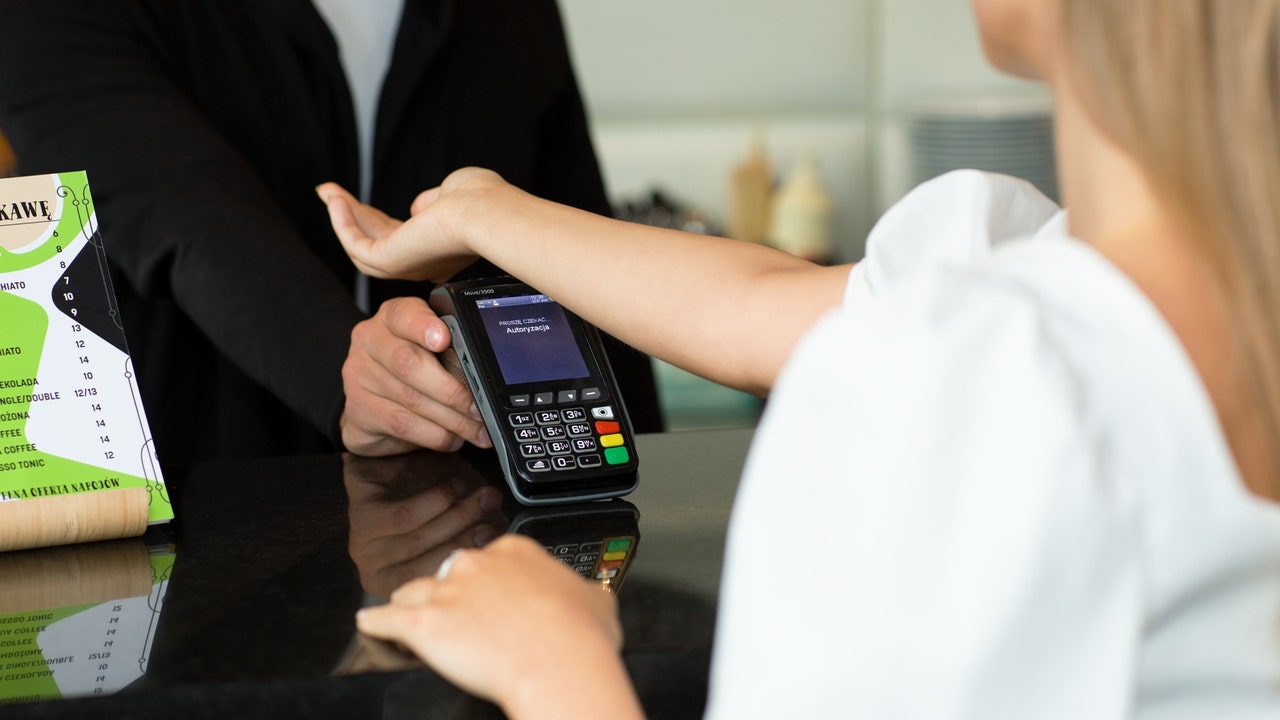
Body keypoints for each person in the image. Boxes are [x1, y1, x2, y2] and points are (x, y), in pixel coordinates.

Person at [324, 0, 1280, 716]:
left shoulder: (980, 371)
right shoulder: (1077, 291)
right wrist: (479, 212)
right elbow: (760, 306)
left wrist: (554, 666)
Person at [0, 0, 662, 466]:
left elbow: (575, 244)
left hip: (479, 507)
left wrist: (645, 469)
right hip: (195, 504)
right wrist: (348, 372)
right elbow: (182, 212)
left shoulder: (503, 15)